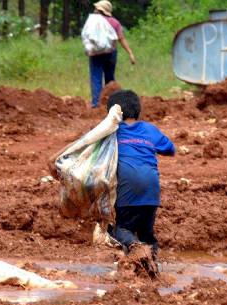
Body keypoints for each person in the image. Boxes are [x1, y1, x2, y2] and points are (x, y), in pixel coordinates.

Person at [106, 90, 175, 261]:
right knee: (146, 234)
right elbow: (170, 149)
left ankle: (135, 247)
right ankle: (152, 269)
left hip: (128, 190)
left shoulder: (112, 132)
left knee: (121, 229)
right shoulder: (149, 130)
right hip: (151, 192)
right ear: (138, 111)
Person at [85, 0, 136, 108]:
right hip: (110, 54)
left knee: (96, 78)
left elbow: (87, 37)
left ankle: (96, 103)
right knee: (110, 79)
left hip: (95, 54)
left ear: (99, 10)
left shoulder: (92, 22)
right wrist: (130, 53)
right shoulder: (114, 22)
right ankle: (112, 103)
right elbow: (121, 39)